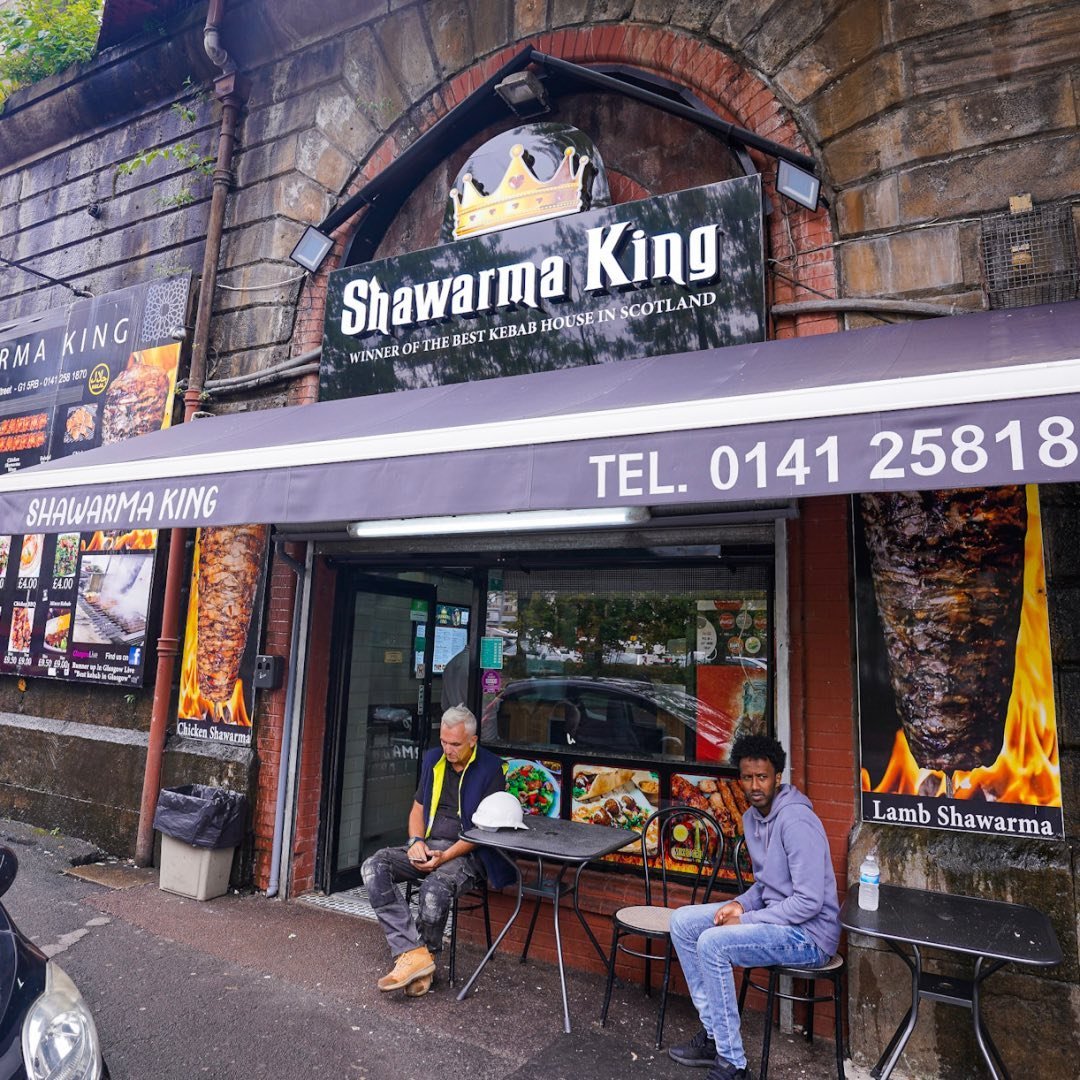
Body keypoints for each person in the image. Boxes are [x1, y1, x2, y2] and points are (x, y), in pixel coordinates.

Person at [667, 734, 841, 1080]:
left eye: (762, 777)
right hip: (777, 922)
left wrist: (747, 918)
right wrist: (738, 904)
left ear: (778, 777)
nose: (755, 785)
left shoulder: (796, 821)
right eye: (747, 777)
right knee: (684, 922)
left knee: (713, 943)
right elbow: (766, 885)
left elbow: (808, 901)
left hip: (809, 937)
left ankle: (733, 1064)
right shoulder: (750, 818)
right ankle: (715, 1037)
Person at [360, 705, 511, 997]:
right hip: (429, 844)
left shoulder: (492, 769)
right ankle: (413, 953)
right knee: (373, 867)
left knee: (433, 890)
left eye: (455, 744)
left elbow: (484, 831)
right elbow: (418, 808)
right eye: (443, 741)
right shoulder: (433, 759)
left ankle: (422, 957)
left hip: (467, 852)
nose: (447, 749)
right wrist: (416, 841)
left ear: (473, 740)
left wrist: (446, 856)